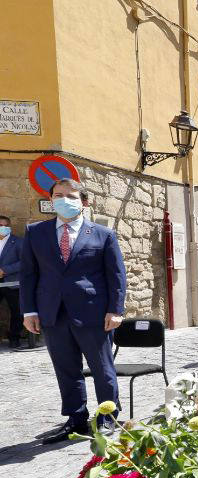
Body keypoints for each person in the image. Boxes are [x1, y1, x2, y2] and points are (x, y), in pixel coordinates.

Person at [20, 179, 127, 443]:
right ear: (51, 200)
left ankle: (108, 417)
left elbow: (116, 276)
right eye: (58, 195)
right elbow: (28, 275)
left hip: (93, 314)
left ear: (84, 202)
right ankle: (76, 418)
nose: (64, 200)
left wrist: (115, 310)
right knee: (66, 370)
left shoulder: (103, 234)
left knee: (102, 368)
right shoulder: (36, 232)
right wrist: (29, 311)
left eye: (71, 196)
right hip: (52, 313)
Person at [0, 215, 25, 349]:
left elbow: (25, 262)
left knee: (17, 311)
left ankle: (14, 337)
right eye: (0, 226)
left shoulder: (19, 242)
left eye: (5, 226)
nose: (3, 228)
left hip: (13, 283)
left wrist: (5, 270)